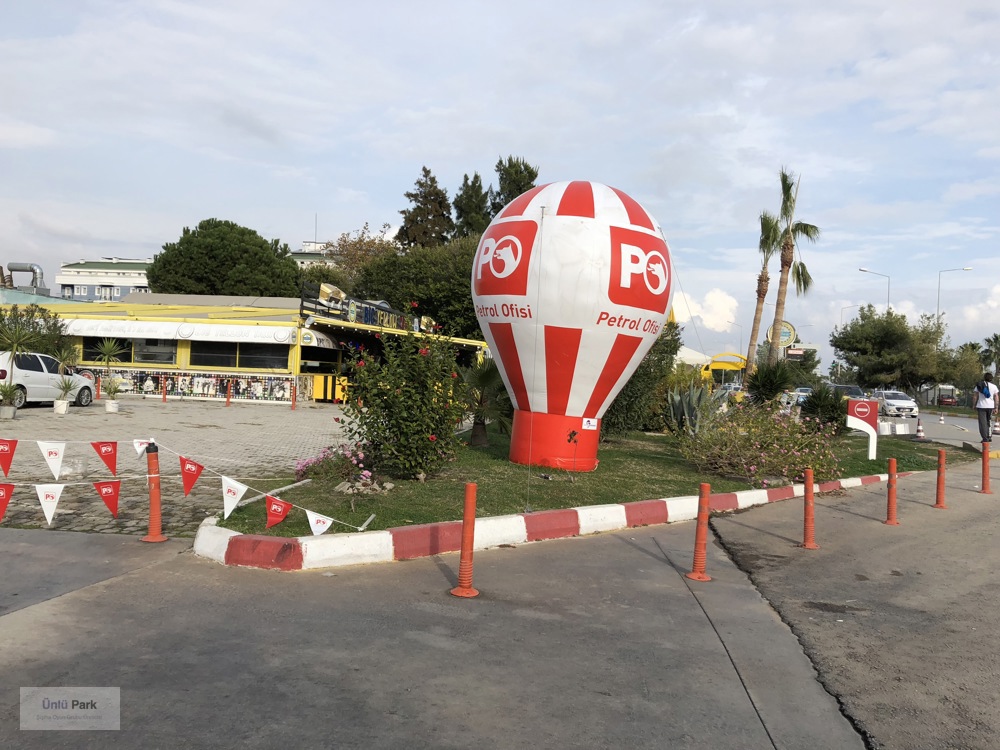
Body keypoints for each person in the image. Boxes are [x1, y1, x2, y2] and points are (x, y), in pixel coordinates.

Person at [974, 372, 999, 442]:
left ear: (984, 378)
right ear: (991, 379)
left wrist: (974, 405)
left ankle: (985, 438)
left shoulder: (979, 385)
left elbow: (975, 396)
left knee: (982, 423)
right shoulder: (994, 386)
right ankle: (989, 436)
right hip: (990, 406)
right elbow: (996, 397)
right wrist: (996, 407)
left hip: (981, 406)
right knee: (989, 421)